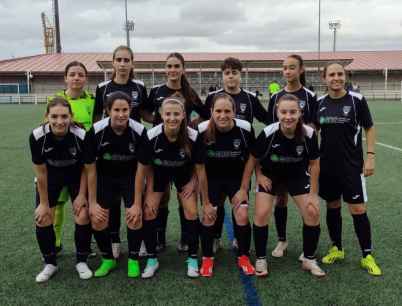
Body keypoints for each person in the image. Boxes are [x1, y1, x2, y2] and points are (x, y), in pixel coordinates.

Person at [239, 94, 325, 277]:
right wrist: (255, 179)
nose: (288, 116)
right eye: (284, 112)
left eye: (293, 112)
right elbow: (253, 158)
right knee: (261, 214)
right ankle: (261, 258)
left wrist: (313, 194)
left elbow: (315, 164)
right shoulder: (269, 132)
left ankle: (308, 259)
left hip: (297, 176)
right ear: (277, 113)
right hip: (271, 176)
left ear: (300, 113)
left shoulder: (309, 134)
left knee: (312, 212)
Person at [317, 62, 382, 276]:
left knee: (358, 209)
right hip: (326, 167)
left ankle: (367, 255)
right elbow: (312, 131)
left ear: (345, 77)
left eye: (340, 74)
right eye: (332, 74)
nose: (336, 77)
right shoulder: (319, 103)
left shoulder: (357, 100)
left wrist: (370, 157)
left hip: (352, 166)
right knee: (332, 206)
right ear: (324, 78)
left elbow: (369, 128)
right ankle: (337, 248)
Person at [144, 52, 209, 253]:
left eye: (176, 66)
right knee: (161, 196)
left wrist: (191, 125)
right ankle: (160, 238)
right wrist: (157, 122)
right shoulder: (156, 91)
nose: (173, 70)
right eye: (169, 66)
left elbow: (205, 114)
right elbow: (144, 111)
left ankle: (185, 238)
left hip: (184, 149)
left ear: (182, 69)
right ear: (165, 69)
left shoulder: (189, 92)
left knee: (185, 195)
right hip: (161, 148)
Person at [139, 96, 211, 278]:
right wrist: (145, 193)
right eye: (168, 114)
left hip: (184, 174)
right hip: (159, 173)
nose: (172, 118)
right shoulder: (151, 136)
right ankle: (152, 259)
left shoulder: (193, 136)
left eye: (176, 114)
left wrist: (206, 200)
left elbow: (200, 170)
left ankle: (193, 258)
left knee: (192, 211)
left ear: (183, 115)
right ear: (161, 115)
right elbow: (143, 170)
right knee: (149, 210)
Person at [205, 57, 269, 252]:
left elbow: (268, 121)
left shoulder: (250, 98)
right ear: (222, 76)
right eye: (227, 73)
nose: (230, 76)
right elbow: (202, 124)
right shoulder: (213, 97)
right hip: (215, 160)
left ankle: (238, 240)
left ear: (240, 75)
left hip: (240, 163)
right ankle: (215, 237)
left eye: (234, 72)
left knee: (238, 201)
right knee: (216, 202)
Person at [84, 91, 148, 278]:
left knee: (135, 216)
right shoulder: (96, 131)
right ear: (107, 110)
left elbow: (141, 169)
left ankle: (133, 260)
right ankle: (107, 259)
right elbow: (91, 169)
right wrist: (93, 202)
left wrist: (136, 203)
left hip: (131, 177)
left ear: (130, 109)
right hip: (105, 178)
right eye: (116, 110)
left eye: (125, 110)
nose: (121, 114)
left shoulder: (139, 131)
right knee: (97, 218)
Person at [93, 45, 148, 259]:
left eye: (127, 60)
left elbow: (145, 113)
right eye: (119, 60)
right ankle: (115, 240)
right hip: (109, 150)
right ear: (113, 62)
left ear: (132, 63)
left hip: (134, 150)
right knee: (112, 200)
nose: (123, 64)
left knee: (136, 197)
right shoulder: (103, 87)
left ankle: (139, 240)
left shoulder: (140, 86)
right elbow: (97, 118)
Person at [29, 97, 92, 282]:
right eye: (54, 116)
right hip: (50, 178)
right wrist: (43, 203)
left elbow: (86, 169)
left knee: (83, 214)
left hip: (76, 176)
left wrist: (81, 195)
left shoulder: (81, 135)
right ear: (47, 116)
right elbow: (40, 173)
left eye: (64, 116)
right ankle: (50, 263)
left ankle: (82, 261)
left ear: (71, 117)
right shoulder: (37, 136)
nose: (59, 121)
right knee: (43, 217)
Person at [266, 54, 318, 258]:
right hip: (280, 159)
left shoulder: (309, 96)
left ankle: (309, 247)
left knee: (306, 203)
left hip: (301, 158)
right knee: (281, 199)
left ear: (301, 70)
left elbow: (314, 127)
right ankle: (282, 240)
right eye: (285, 68)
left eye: (292, 68)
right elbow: (272, 128)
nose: (288, 71)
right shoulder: (275, 97)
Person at [198, 93, 255, 277]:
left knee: (242, 213)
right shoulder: (202, 130)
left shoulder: (245, 129)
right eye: (218, 111)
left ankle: (244, 256)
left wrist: (244, 188)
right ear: (211, 112)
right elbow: (199, 168)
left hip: (236, 178)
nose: (223, 115)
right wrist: (206, 201)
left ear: (234, 112)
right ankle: (207, 258)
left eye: (227, 111)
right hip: (212, 178)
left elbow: (251, 159)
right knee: (208, 215)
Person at [51, 61, 95, 255]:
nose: (76, 77)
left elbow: (95, 126)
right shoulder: (56, 99)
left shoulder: (92, 101)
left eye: (80, 74)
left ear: (85, 78)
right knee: (58, 203)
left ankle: (87, 245)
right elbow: (50, 122)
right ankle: (56, 241)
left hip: (84, 159)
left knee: (85, 203)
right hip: (60, 159)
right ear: (65, 78)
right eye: (72, 74)